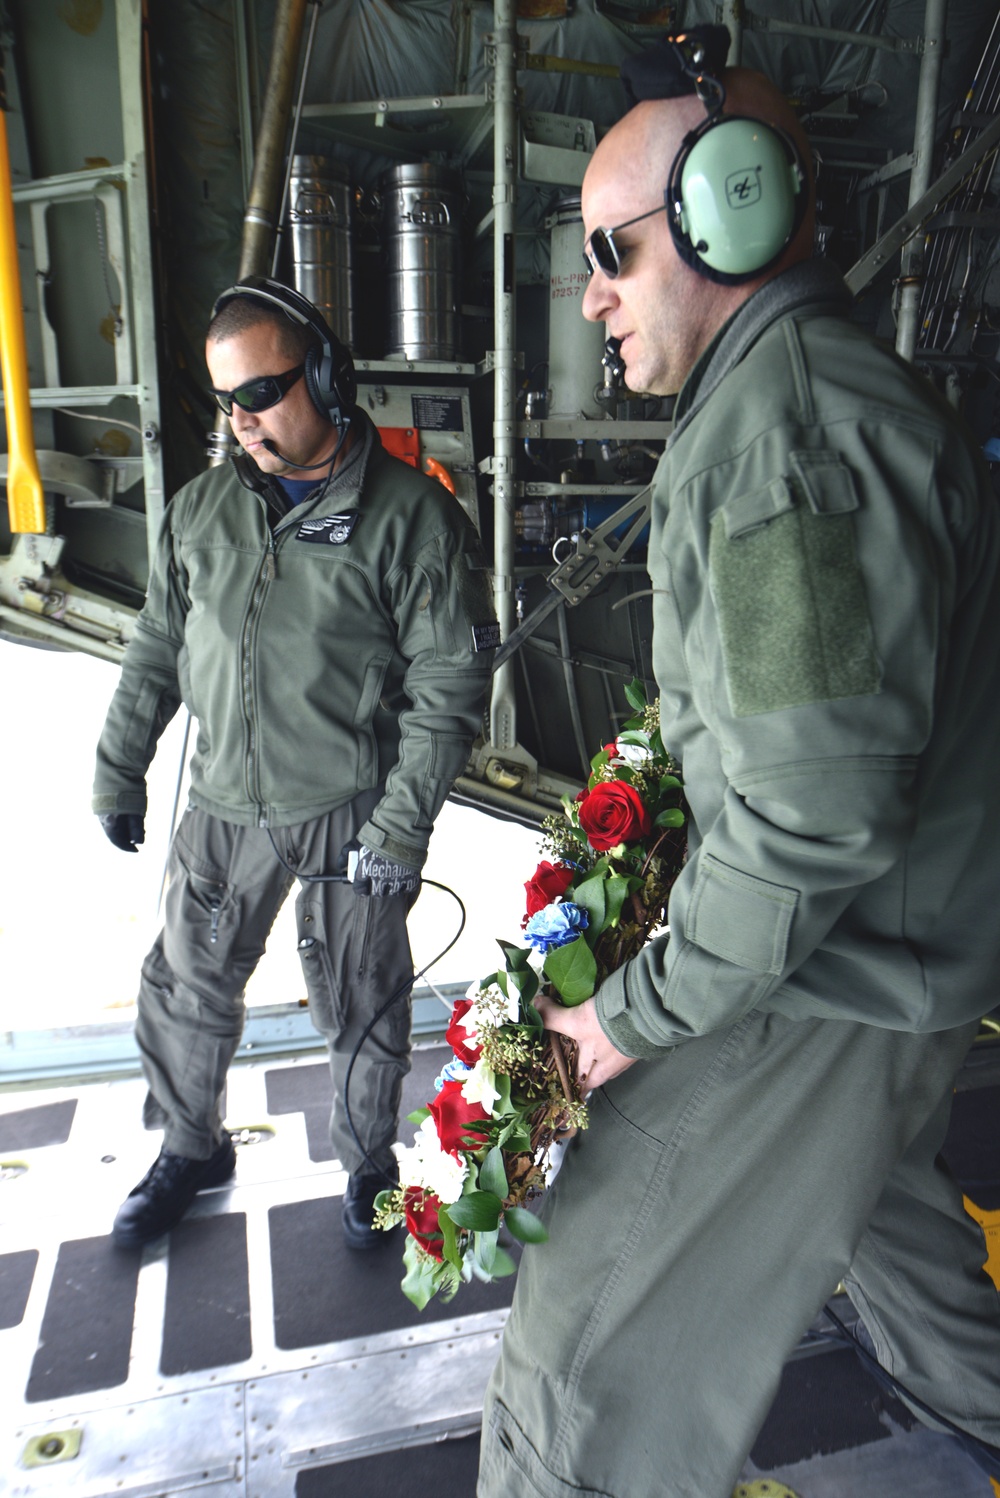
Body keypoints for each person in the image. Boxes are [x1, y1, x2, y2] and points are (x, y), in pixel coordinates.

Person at [478, 37, 1000, 1498]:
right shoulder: (782, 409)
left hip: (833, 981)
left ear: (728, 218)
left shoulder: (790, 440)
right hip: (890, 970)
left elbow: (806, 823)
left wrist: (621, 1020)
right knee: (897, 1241)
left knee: (581, 1359)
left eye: (608, 251)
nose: (589, 294)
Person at [93, 277, 497, 1251]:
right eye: (226, 401)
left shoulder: (413, 520)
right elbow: (157, 645)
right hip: (223, 810)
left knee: (361, 998)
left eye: (264, 392)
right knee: (186, 987)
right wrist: (119, 766)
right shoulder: (198, 513)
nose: (243, 422)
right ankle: (192, 1146)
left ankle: (365, 1166)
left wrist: (402, 827)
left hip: (348, 813)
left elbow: (448, 688)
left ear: (325, 376)